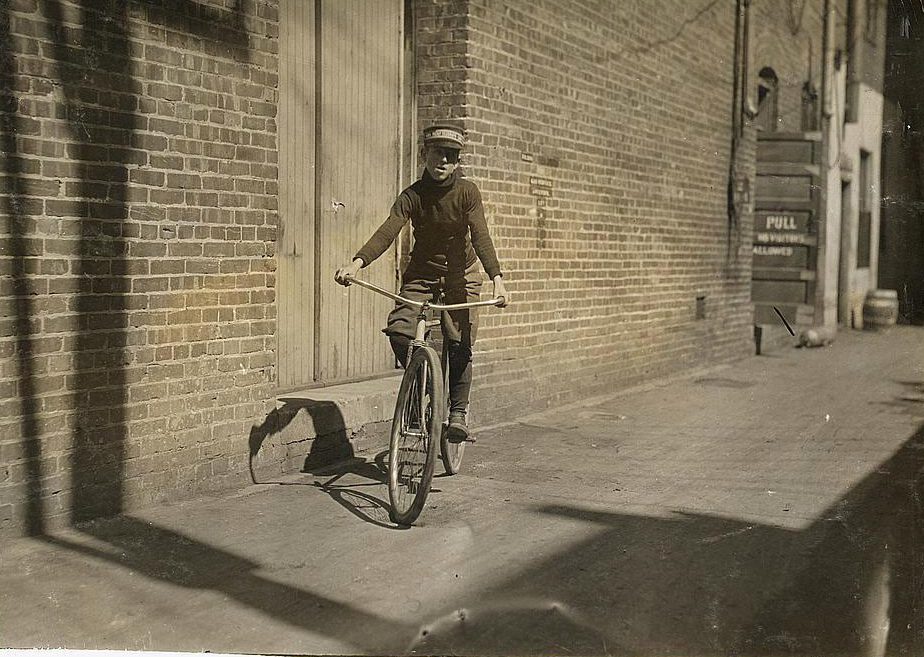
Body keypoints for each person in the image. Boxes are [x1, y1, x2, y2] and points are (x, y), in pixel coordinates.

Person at [335, 123, 508, 443]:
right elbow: (388, 230)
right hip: (422, 275)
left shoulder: (467, 192)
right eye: (437, 153)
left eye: (451, 156)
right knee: (400, 330)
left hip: (462, 276)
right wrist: (357, 262)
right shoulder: (413, 195)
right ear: (425, 154)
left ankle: (457, 411)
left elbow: (480, 235)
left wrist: (496, 278)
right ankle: (423, 388)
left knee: (460, 342)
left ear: (458, 162)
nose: (443, 161)